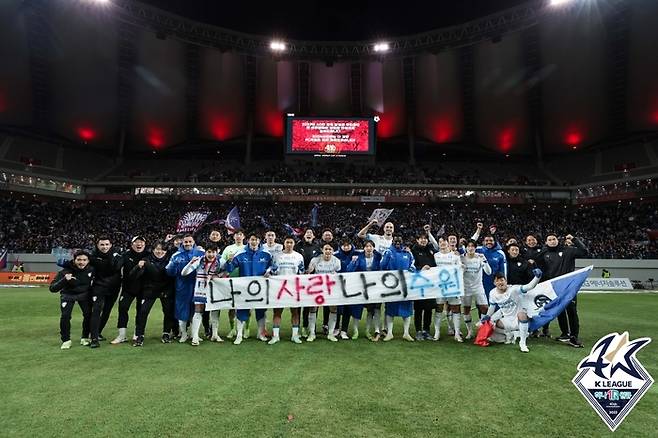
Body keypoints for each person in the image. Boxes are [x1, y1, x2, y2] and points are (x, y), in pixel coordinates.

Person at [535, 233, 588, 347]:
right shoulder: (544, 254)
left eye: (554, 239)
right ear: (546, 242)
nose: (552, 241)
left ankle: (574, 337)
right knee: (560, 311)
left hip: (569, 286)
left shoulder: (568, 250)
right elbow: (536, 263)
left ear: (558, 240)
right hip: (555, 287)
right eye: (549, 239)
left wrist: (574, 239)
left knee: (572, 311)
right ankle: (565, 333)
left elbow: (584, 251)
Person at [225, 232, 273, 345]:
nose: (254, 242)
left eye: (256, 239)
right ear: (248, 240)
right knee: (241, 311)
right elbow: (230, 268)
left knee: (261, 311)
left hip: (260, 289)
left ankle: (261, 334)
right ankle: (239, 335)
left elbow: (272, 266)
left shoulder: (266, 254)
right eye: (252, 239)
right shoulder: (241, 254)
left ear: (260, 241)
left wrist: (269, 270)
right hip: (244, 289)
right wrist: (230, 261)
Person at [480, 269, 543, 353]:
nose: (500, 283)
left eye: (502, 280)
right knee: (486, 325)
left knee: (522, 314)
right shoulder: (492, 293)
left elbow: (529, 286)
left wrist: (537, 277)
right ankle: (511, 334)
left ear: (506, 281)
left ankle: (523, 343)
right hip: (507, 320)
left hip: (519, 319)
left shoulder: (514, 289)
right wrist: (487, 316)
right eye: (497, 281)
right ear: (494, 283)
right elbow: (492, 306)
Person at [132, 241, 175, 346]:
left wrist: (168, 291)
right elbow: (133, 275)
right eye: (158, 249)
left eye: (162, 250)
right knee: (143, 312)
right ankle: (139, 335)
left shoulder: (170, 260)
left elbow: (172, 278)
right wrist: (138, 267)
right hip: (149, 290)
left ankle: (166, 333)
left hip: (165, 290)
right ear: (153, 249)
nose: (160, 252)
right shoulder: (146, 259)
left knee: (168, 312)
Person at [49, 250, 94, 349]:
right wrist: (64, 280)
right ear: (74, 260)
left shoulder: (91, 269)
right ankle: (66, 340)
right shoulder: (65, 271)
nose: (81, 262)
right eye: (79, 260)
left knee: (88, 315)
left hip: (84, 295)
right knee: (65, 316)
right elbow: (52, 288)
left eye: (84, 260)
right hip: (68, 295)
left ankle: (85, 337)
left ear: (88, 261)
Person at [181, 243, 224, 346]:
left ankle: (215, 334)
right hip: (200, 290)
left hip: (214, 290)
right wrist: (190, 263)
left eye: (213, 252)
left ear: (216, 252)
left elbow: (227, 271)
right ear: (205, 252)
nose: (211, 254)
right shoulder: (199, 261)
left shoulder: (219, 262)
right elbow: (184, 273)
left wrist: (218, 275)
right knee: (198, 311)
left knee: (215, 312)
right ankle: (195, 336)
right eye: (209, 252)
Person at [165, 234, 205, 343]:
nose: (188, 244)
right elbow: (169, 272)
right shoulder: (176, 255)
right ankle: (184, 334)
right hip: (182, 288)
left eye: (190, 241)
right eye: (185, 242)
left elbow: (212, 262)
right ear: (182, 243)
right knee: (182, 311)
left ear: (193, 242)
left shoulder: (201, 253)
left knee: (197, 311)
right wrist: (172, 266)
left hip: (198, 287)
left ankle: (194, 334)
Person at [111, 236, 149, 344]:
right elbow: (116, 267)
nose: (139, 244)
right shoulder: (125, 255)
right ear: (132, 244)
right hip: (128, 288)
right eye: (136, 242)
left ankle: (137, 334)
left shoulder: (148, 255)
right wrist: (116, 258)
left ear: (144, 244)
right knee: (123, 309)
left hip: (143, 288)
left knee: (141, 312)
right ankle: (122, 335)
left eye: (141, 242)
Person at [87, 236, 122, 348]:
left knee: (107, 311)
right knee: (96, 310)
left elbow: (116, 267)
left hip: (114, 287)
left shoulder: (118, 254)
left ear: (110, 245)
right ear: (97, 245)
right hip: (99, 286)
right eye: (102, 244)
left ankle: (98, 332)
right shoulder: (92, 256)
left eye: (107, 244)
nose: (104, 247)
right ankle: (94, 338)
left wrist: (102, 263)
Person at [269, 236, 305, 344]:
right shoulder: (277, 256)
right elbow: (273, 271)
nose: (289, 244)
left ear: (294, 244)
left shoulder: (298, 256)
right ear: (284, 243)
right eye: (287, 242)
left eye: (291, 242)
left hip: (294, 288)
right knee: (277, 312)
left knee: (295, 312)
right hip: (279, 288)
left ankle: (295, 335)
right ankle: (275, 336)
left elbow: (301, 272)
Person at [381, 236, 416, 342]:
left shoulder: (408, 253)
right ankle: (390, 333)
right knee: (390, 309)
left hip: (405, 286)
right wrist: (387, 256)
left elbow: (413, 265)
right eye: (395, 241)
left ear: (402, 242)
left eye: (399, 241)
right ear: (392, 242)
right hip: (391, 286)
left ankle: (406, 333)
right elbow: (382, 266)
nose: (397, 243)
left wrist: (411, 269)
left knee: (407, 309)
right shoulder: (388, 252)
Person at [345, 239, 382, 340]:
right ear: (364, 248)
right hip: (360, 287)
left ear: (374, 248)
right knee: (357, 309)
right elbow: (349, 270)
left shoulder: (378, 257)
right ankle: (355, 331)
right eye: (367, 246)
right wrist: (353, 262)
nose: (369, 248)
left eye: (371, 246)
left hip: (373, 288)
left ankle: (367, 330)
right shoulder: (358, 257)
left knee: (371, 310)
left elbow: (381, 269)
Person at [306, 243, 342, 342]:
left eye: (330, 249)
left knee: (333, 309)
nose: (328, 251)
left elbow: (340, 276)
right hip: (317, 288)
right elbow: (308, 274)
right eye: (326, 249)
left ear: (333, 250)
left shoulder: (336, 261)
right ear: (322, 250)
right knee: (313, 309)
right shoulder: (315, 260)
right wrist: (309, 271)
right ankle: (312, 333)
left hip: (331, 289)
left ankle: (330, 333)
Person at [431, 237, 464, 342]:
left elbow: (460, 270)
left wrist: (461, 267)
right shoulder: (435, 256)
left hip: (452, 287)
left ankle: (457, 333)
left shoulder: (455, 256)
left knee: (456, 309)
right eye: (440, 242)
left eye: (444, 241)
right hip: (439, 287)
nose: (442, 243)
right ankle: (437, 332)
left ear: (447, 243)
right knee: (439, 309)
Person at [411, 228, 437, 340]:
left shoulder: (431, 249)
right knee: (418, 309)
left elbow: (437, 246)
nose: (423, 240)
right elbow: (411, 267)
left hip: (430, 284)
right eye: (421, 238)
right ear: (417, 240)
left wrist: (429, 233)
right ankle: (418, 331)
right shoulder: (413, 251)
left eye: (425, 239)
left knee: (429, 308)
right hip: (418, 283)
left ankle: (426, 330)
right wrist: (420, 269)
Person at [460, 240, 491, 339]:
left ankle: (481, 329)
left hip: (478, 286)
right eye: (468, 246)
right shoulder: (461, 258)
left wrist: (485, 262)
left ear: (475, 248)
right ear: (465, 248)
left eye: (472, 246)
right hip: (465, 287)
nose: (470, 248)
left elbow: (489, 272)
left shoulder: (480, 257)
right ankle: (469, 331)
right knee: (466, 309)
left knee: (485, 308)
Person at [295, 228, 321, 338]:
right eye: (307, 233)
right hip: (299, 279)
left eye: (311, 233)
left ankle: (307, 327)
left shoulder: (317, 247)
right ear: (304, 235)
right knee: (297, 305)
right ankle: (297, 328)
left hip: (312, 280)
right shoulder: (298, 246)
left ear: (314, 236)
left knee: (309, 305)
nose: (309, 234)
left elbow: (320, 261)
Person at [220, 229, 246, 339]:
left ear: (244, 237)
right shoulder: (228, 249)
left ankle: (246, 329)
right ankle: (232, 329)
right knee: (231, 307)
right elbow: (222, 264)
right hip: (231, 281)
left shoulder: (247, 248)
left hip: (244, 280)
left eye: (240, 234)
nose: (238, 236)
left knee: (245, 307)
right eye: (237, 235)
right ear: (234, 236)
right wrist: (228, 261)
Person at [334, 238, 358, 339]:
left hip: (350, 285)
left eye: (348, 245)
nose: (346, 247)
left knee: (348, 308)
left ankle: (344, 330)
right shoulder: (335, 255)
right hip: (338, 285)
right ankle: (335, 328)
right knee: (337, 308)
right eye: (344, 245)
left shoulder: (356, 254)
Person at [476, 234, 507, 301]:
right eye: (486, 240)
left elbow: (502, 270)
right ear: (483, 242)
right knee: (482, 305)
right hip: (479, 283)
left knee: (496, 303)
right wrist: (478, 231)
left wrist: (503, 282)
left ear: (495, 241)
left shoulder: (500, 253)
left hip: (494, 282)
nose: (489, 242)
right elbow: (470, 244)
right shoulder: (478, 250)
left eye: (491, 240)